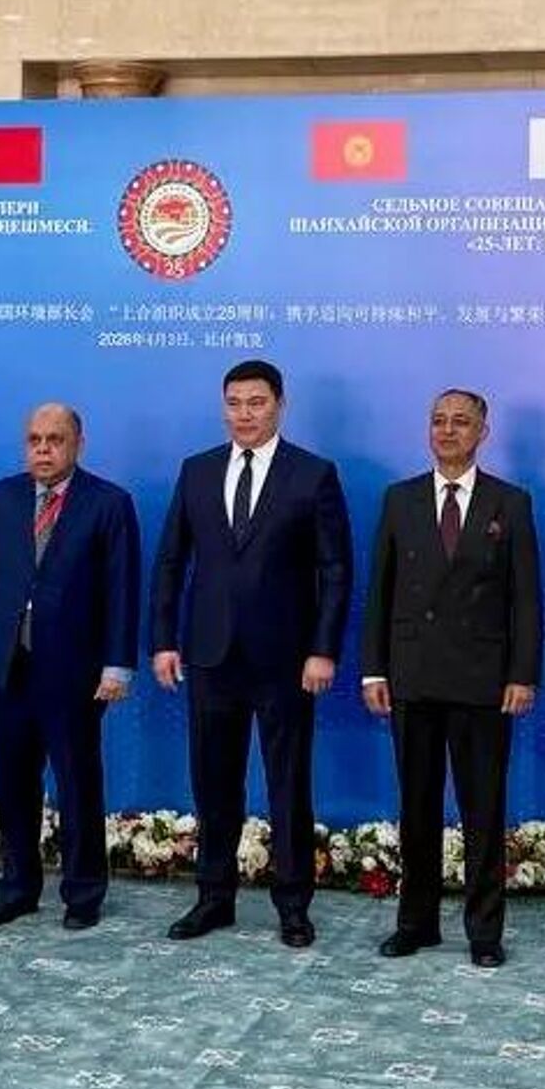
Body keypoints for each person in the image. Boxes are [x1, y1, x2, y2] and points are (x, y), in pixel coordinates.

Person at [149, 360, 352, 947]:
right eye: (234, 403)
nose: (244, 414)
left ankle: (293, 905)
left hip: (286, 660)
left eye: (256, 403)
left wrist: (323, 650)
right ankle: (214, 898)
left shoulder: (313, 474)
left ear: (280, 405)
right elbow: (170, 561)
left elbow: (336, 569)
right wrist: (163, 640)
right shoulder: (197, 470)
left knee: (288, 785)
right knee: (214, 785)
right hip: (210, 655)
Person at [361, 389, 541, 968]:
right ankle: (416, 924)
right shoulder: (400, 499)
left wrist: (522, 674)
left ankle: (484, 932)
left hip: (483, 681)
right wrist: (373, 669)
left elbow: (525, 598)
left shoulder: (509, 502)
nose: (447, 430)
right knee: (416, 808)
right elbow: (380, 591)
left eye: (460, 422)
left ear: (483, 432)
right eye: (438, 420)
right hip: (412, 676)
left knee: (482, 810)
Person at [0, 404, 139, 931]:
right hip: (8, 666)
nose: (43, 449)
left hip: (75, 673)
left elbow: (122, 591)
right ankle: (17, 889)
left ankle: (83, 894)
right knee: (13, 785)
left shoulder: (109, 503)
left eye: (55, 439)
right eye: (34, 440)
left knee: (78, 784)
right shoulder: (0, 497)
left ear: (78, 443)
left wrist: (118, 665)